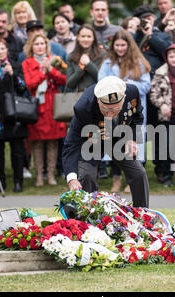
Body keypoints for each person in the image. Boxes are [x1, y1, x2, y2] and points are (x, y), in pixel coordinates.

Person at [62, 76, 149, 208]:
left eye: (115, 110)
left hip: (119, 139)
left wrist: (132, 138)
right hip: (93, 141)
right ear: (98, 101)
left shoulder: (132, 92)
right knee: (87, 176)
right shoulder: (83, 107)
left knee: (139, 173)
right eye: (105, 109)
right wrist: (72, 178)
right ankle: (88, 217)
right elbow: (72, 143)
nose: (110, 115)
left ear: (124, 98)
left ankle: (143, 213)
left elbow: (137, 116)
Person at [98, 30, 151, 193]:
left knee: (134, 143)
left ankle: (132, 180)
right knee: (114, 143)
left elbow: (146, 85)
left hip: (132, 108)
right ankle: (116, 179)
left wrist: (128, 85)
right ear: (113, 46)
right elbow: (100, 83)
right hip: (113, 109)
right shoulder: (107, 63)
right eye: (117, 45)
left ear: (129, 46)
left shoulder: (139, 62)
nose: (120, 48)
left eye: (123, 45)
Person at [132, 5, 172, 184]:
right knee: (137, 130)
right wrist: (135, 31)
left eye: (148, 18)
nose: (145, 22)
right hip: (138, 90)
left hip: (157, 89)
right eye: (142, 19)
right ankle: (136, 168)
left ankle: (162, 169)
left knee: (159, 131)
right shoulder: (133, 37)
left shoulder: (161, 35)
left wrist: (150, 34)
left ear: (154, 18)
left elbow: (168, 52)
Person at [22, 33, 67, 187]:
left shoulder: (54, 60)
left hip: (52, 105)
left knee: (53, 142)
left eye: (42, 44)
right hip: (37, 106)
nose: (40, 46)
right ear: (31, 46)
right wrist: (43, 73)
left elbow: (64, 80)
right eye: (37, 44)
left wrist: (52, 70)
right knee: (37, 143)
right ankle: (39, 175)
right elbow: (30, 84)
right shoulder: (27, 63)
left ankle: (50, 174)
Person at [0, 38, 28, 193]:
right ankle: (0, 182)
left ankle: (18, 182)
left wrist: (13, 74)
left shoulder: (16, 65)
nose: (0, 52)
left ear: (7, 50)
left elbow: (23, 88)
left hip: (14, 114)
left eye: (2, 48)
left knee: (17, 150)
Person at [150, 44, 175, 187]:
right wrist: (162, 104)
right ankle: (167, 175)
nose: (174, 59)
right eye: (171, 56)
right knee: (166, 146)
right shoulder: (160, 73)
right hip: (166, 116)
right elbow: (154, 92)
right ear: (166, 58)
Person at [66, 25, 106, 92]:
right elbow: (69, 84)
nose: (86, 39)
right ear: (78, 37)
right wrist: (80, 69)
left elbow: (102, 79)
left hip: (97, 94)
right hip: (78, 96)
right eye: (83, 36)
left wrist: (89, 64)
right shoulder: (71, 57)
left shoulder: (102, 54)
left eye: (89, 36)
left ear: (93, 38)